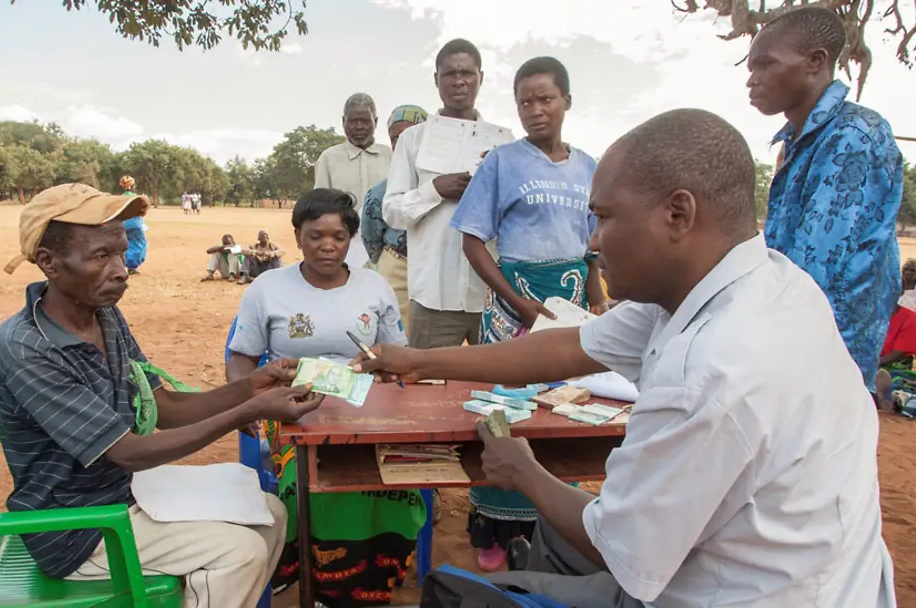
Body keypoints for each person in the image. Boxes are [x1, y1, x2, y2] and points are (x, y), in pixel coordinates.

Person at [354, 109, 896, 607]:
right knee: (552, 529)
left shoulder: (710, 372)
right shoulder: (763, 280)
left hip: (740, 593)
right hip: (822, 572)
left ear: (678, 214)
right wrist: (418, 362)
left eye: (605, 218)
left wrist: (524, 472)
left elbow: (619, 551)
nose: (593, 241)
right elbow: (564, 348)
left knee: (455, 593)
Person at [0, 183, 324, 608]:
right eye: (100, 257)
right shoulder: (28, 348)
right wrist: (252, 408)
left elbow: (163, 407)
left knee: (272, 514)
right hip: (76, 529)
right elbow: (129, 452)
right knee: (239, 552)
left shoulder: (103, 313)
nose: (120, 269)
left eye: (120, 251)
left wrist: (249, 386)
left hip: (122, 493)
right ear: (48, 263)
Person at [226, 188, 424, 607]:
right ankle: (326, 579)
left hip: (367, 408)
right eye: (316, 235)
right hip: (292, 412)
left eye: (338, 236)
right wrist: (244, 404)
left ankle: (371, 577)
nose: (327, 246)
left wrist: (378, 364)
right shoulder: (268, 288)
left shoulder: (374, 286)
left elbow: (395, 358)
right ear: (297, 236)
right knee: (313, 479)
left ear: (351, 238)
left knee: (398, 479)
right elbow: (241, 357)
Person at [449, 56, 607, 571]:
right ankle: (493, 528)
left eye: (545, 99)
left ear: (567, 101)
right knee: (507, 410)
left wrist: (596, 295)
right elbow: (471, 240)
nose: (535, 111)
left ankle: (554, 525)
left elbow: (592, 245)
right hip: (515, 302)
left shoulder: (589, 166)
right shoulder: (502, 162)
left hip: (568, 304)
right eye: (524, 102)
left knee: (560, 408)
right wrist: (516, 301)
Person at [747, 5, 903, 392]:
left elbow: (811, 269)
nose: (753, 80)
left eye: (765, 64)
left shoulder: (853, 135)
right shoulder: (798, 141)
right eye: (752, 67)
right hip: (795, 343)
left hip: (825, 354)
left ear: (815, 62)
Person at [384, 38, 511, 348]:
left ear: (481, 77)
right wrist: (434, 190)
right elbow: (391, 211)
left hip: (491, 294)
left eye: (467, 72)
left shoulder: (503, 140)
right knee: (427, 389)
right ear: (436, 79)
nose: (458, 81)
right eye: (449, 73)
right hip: (433, 294)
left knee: (497, 388)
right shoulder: (414, 139)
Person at [360, 104, 429, 331]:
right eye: (395, 138)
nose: (402, 144)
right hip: (397, 264)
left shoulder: (448, 186)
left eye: (410, 135)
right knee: (397, 331)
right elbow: (371, 236)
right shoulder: (381, 192)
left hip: (434, 267)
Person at [315, 93, 393, 270]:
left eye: (365, 121)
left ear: (376, 121)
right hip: (343, 248)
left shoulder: (392, 156)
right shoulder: (329, 159)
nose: (359, 126)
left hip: (387, 250)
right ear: (343, 121)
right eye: (353, 121)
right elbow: (319, 208)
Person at [118, 175, 147, 275]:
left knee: (125, 244)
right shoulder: (137, 198)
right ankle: (131, 265)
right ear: (133, 186)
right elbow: (143, 209)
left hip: (122, 223)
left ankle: (124, 264)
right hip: (135, 223)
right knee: (140, 244)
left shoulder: (119, 198)